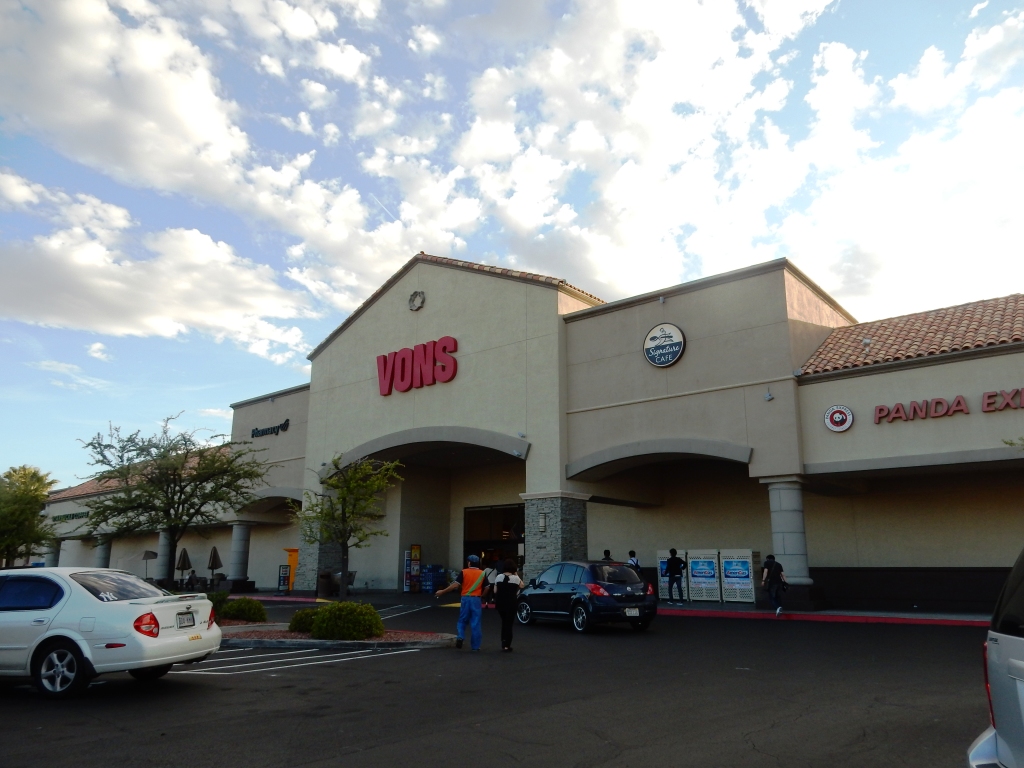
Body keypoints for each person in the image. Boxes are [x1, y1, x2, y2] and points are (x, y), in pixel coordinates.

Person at [435, 555, 487, 650]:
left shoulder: (464, 572)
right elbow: (487, 587)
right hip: (476, 599)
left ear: (469, 563)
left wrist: (442, 591)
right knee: (476, 623)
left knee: (462, 620)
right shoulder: (482, 573)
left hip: (465, 599)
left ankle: (460, 636)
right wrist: (482, 596)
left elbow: (455, 585)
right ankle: (475, 647)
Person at [492, 558, 523, 652]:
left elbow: (495, 591)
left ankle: (503, 641)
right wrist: (516, 574)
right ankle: (507, 645)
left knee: (504, 622)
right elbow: (522, 585)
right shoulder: (515, 578)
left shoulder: (498, 577)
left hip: (500, 603)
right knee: (509, 624)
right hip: (511, 603)